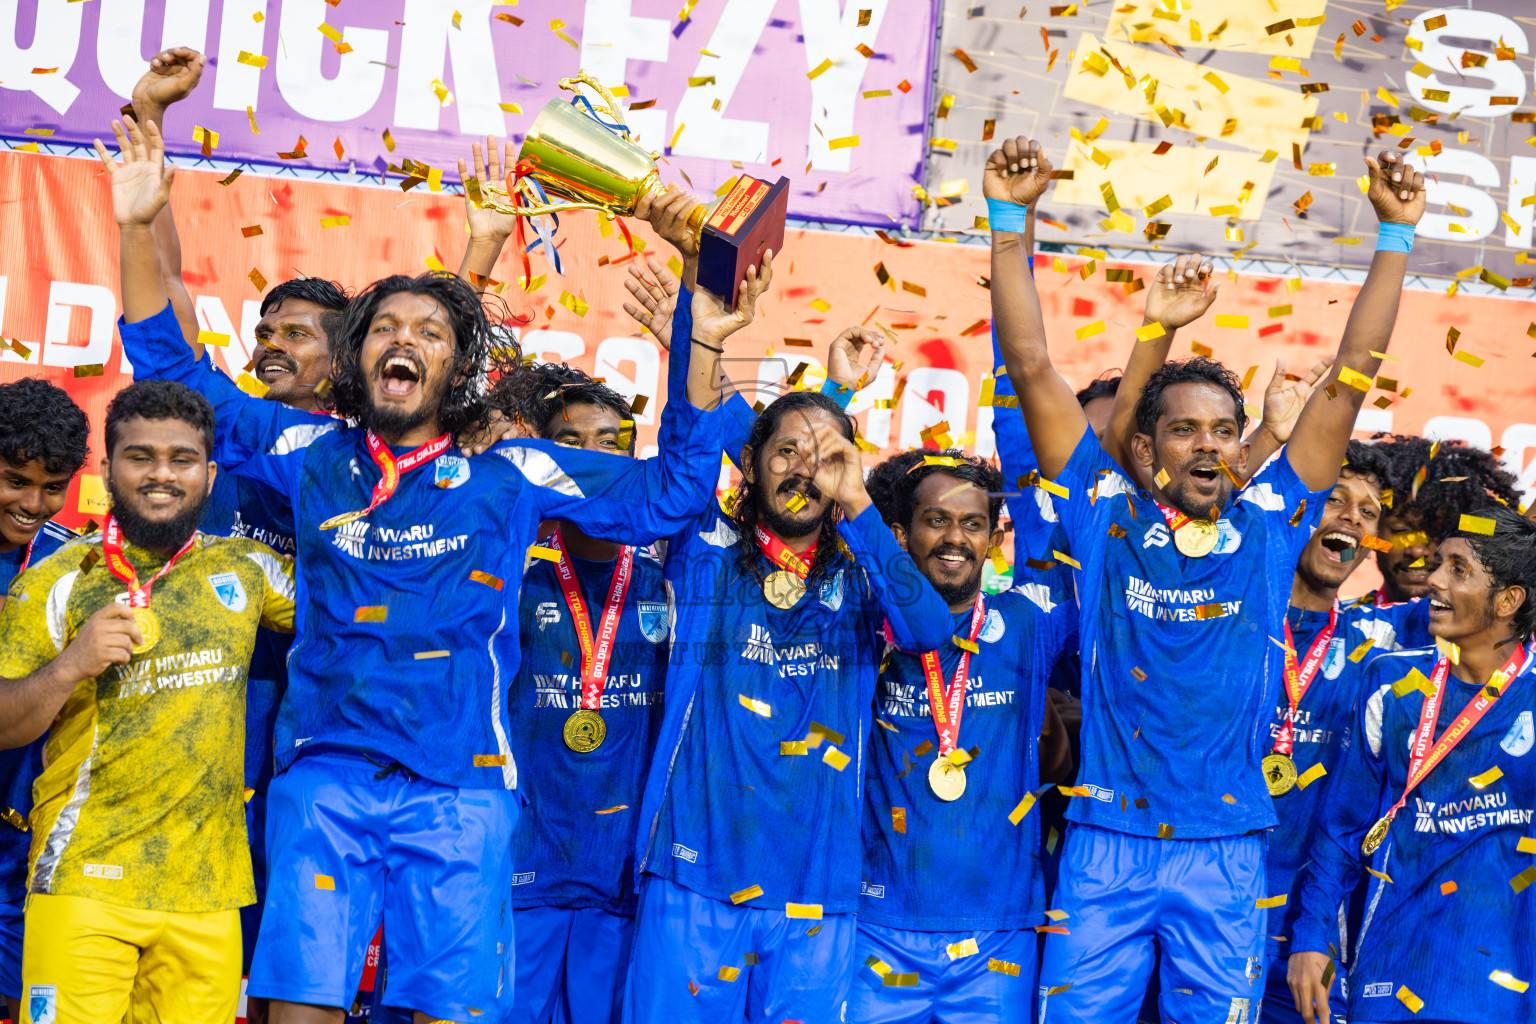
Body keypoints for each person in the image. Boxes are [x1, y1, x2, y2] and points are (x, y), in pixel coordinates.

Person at [100, 110, 752, 1024]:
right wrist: (135, 224)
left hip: (462, 790)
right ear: (357, 359)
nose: (404, 338)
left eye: (431, 331)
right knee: (298, 1012)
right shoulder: (306, 448)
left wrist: (706, 334)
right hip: (325, 778)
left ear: (458, 370)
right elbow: (167, 364)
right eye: (384, 327)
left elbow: (672, 495)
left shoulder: (511, 470)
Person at [983, 133, 1425, 1022]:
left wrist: (1395, 237)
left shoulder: (1269, 528)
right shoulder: (1104, 519)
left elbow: (1349, 382)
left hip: (1227, 854)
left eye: (1225, 430)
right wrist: (1004, 221)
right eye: (1186, 430)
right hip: (1106, 845)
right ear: (1145, 450)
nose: (1211, 446)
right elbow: (1033, 368)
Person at [612, 187, 952, 1024]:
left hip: (818, 893)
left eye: (824, 456)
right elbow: (693, 445)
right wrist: (700, 335)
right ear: (753, 465)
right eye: (785, 452)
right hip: (693, 879)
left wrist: (862, 504)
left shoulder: (865, 575)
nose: (804, 468)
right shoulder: (707, 560)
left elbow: (931, 629)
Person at [118, 52, 349, 1006]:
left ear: (353, 357)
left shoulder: (383, 458)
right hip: (214, 699)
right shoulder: (230, 427)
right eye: (267, 327)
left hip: (318, 717)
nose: (271, 343)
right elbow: (163, 298)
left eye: (299, 333)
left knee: (293, 947)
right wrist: (150, 130)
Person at [1, 379, 295, 1024]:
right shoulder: (57, 577)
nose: (162, 475)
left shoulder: (250, 568)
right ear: (107, 470)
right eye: (140, 457)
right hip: (83, 880)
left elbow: (362, 603)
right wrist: (70, 666)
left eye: (181, 459)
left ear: (210, 475)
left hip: (210, 892)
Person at [851, 448, 1077, 1022]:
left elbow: (1090, 538)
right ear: (899, 535)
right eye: (937, 520)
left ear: (995, 538)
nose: (955, 537)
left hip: (998, 936)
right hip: (878, 927)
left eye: (973, 523)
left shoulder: (1030, 621)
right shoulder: (861, 622)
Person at [1288, 505, 1536, 1024]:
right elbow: (1341, 829)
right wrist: (1310, 938)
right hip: (1389, 973)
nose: (1434, 579)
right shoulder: (1390, 683)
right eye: (1440, 561)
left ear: (1510, 599)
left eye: (1459, 569)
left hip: (1501, 989)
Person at [496, 363, 670, 1024]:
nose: (593, 460)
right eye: (572, 443)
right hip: (524, 862)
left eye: (611, 444)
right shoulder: (507, 573)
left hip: (620, 872)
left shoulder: (670, 580)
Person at [1258, 440, 1420, 1024]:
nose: (1352, 516)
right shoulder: (1229, 621)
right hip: (1201, 915)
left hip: (1308, 936)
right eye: (1334, 499)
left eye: (1368, 511)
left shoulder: (1381, 642)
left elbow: (1494, 591)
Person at [0, 378, 90, 1024]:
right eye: (14, 481)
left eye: (52, 486)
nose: (34, 503)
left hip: (22, 807)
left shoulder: (72, 564)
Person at [1369, 435, 1520, 611]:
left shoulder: (1493, 632)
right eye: (1401, 530)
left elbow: (1519, 538)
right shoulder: (1339, 624)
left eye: (1437, 533)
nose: (1417, 551)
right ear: (1374, 531)